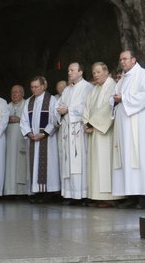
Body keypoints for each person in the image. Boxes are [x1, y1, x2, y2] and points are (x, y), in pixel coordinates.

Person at [112, 50, 145, 208]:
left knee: (142, 159)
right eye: (120, 59)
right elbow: (115, 96)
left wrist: (124, 99)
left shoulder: (143, 75)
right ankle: (131, 196)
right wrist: (114, 100)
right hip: (125, 127)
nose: (122, 62)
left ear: (133, 60)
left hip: (140, 127)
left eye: (125, 59)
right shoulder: (122, 79)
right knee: (127, 160)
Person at [82, 62, 122, 206]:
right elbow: (86, 107)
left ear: (106, 72)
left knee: (105, 162)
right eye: (94, 73)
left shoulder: (112, 85)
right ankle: (97, 195)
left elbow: (108, 107)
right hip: (94, 131)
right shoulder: (94, 89)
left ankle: (109, 197)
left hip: (106, 133)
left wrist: (92, 123)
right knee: (95, 164)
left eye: (98, 72)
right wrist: (86, 122)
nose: (96, 75)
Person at [56, 62, 93, 204]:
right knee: (67, 163)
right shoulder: (67, 90)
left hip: (78, 130)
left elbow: (87, 106)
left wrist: (69, 110)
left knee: (79, 162)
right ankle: (70, 194)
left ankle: (82, 195)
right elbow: (58, 105)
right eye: (68, 70)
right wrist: (59, 111)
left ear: (80, 72)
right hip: (66, 130)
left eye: (72, 70)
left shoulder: (87, 87)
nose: (69, 72)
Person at [19, 76, 59, 201]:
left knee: (48, 165)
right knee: (34, 165)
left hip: (47, 140)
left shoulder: (51, 100)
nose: (34, 89)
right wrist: (29, 133)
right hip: (33, 140)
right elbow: (24, 120)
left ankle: (48, 193)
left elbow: (54, 119)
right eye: (32, 87)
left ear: (43, 86)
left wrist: (43, 133)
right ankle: (36, 191)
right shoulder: (29, 102)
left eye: (36, 87)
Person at [3, 84, 29, 197]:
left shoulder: (27, 105)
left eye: (18, 92)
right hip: (9, 141)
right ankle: (10, 191)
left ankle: (22, 192)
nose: (15, 94)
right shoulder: (6, 107)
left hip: (22, 140)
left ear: (23, 94)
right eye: (13, 92)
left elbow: (32, 120)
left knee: (21, 164)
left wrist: (20, 119)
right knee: (10, 164)